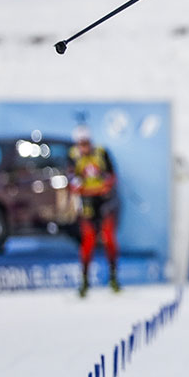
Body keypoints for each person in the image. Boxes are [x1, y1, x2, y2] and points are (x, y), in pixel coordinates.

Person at [68, 125, 120, 296]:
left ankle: (113, 278)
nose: (84, 147)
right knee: (88, 241)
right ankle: (84, 282)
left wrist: (104, 183)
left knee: (108, 238)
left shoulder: (101, 153)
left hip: (105, 202)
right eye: (81, 144)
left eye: (86, 143)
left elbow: (112, 178)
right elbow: (72, 182)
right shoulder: (74, 156)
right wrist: (83, 186)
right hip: (88, 202)